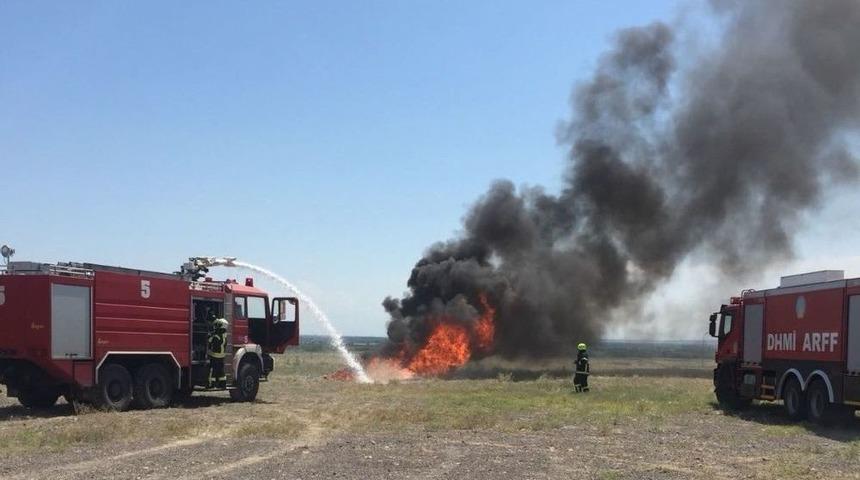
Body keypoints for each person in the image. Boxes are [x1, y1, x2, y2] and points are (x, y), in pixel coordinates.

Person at [208, 318, 228, 388]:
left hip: (215, 356)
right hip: (222, 356)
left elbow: (209, 342)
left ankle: (212, 384)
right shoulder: (225, 336)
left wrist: (209, 336)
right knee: (221, 371)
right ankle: (223, 384)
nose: (216, 326)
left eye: (217, 325)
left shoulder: (216, 336)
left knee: (213, 370)